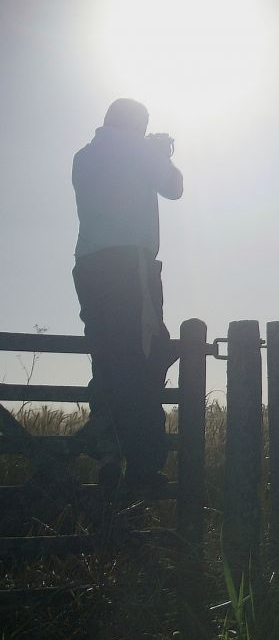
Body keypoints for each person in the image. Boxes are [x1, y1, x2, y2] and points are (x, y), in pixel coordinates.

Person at [72, 98, 183, 490]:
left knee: (106, 357)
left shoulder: (83, 157)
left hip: (88, 267)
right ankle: (143, 466)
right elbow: (174, 187)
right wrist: (159, 154)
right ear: (138, 125)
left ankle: (107, 447)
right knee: (146, 354)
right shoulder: (136, 148)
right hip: (129, 266)